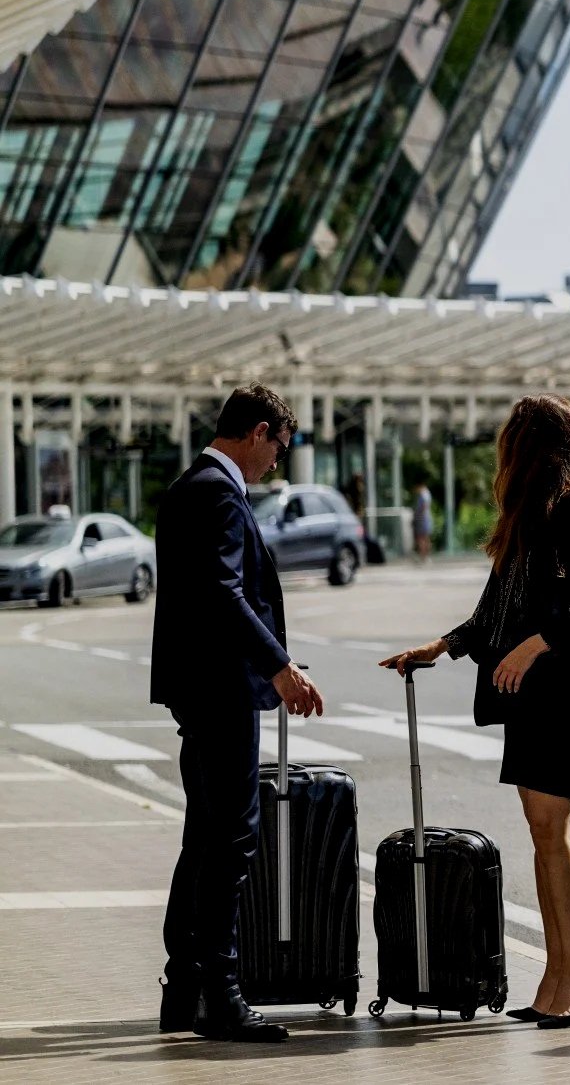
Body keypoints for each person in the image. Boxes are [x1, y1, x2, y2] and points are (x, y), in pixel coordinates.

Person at [379, 394, 570, 1028]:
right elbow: (496, 604)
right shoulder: (529, 514)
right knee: (541, 829)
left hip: (569, 689)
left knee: (551, 828)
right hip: (533, 692)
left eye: (513, 437)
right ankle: (557, 972)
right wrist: (443, 645)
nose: (505, 449)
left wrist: (537, 642)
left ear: (530, 445)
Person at [150, 383, 324, 1043]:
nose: (277, 462)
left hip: (200, 687)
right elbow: (224, 592)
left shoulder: (188, 486)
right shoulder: (219, 493)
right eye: (280, 446)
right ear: (257, 431)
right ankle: (220, 998)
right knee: (230, 839)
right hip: (221, 688)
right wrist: (281, 666)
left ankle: (184, 988)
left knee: (204, 836)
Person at [411, 482, 434, 563]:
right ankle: (426, 556)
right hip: (425, 519)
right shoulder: (427, 493)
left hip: (422, 519)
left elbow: (423, 506)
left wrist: (417, 516)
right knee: (426, 538)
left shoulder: (423, 494)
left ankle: (423, 556)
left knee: (421, 538)